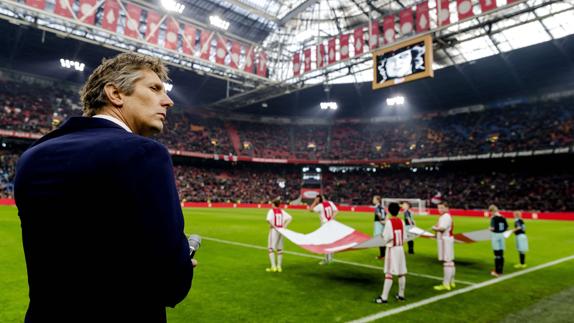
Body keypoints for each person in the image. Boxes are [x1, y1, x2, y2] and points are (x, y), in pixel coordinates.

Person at [14, 53, 195, 323]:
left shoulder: (32, 156)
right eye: (155, 88)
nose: (168, 101)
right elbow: (171, 283)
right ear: (115, 94)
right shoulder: (144, 152)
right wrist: (182, 262)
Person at [374, 203, 407, 304]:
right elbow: (405, 238)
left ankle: (384, 298)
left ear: (388, 211)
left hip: (392, 249)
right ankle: (401, 295)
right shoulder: (401, 221)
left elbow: (386, 237)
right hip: (400, 249)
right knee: (401, 273)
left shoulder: (389, 222)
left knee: (389, 273)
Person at [432, 202, 456, 291]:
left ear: (447, 208)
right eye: (439, 208)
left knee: (447, 262)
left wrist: (434, 228)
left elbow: (442, 228)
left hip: (445, 240)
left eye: (442, 208)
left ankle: (446, 284)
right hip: (447, 239)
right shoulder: (446, 216)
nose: (440, 210)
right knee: (450, 262)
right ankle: (452, 281)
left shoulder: (446, 216)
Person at [310, 194, 338, 265]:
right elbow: (336, 211)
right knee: (331, 241)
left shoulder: (320, 206)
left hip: (325, 225)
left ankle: (327, 259)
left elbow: (310, 210)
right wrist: (331, 218)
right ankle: (331, 258)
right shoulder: (331, 203)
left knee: (325, 242)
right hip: (332, 224)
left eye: (318, 198)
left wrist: (314, 202)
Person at [266, 199, 292, 273]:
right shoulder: (281, 211)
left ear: (274, 204)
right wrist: (284, 226)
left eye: (272, 204)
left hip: (274, 231)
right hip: (281, 231)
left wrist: (273, 226)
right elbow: (290, 218)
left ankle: (273, 267)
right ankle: (279, 267)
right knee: (280, 249)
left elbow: (268, 220)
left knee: (270, 248)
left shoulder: (271, 211)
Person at [489, 204, 508, 277]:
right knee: (501, 254)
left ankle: (497, 272)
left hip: (496, 236)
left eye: (491, 212)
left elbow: (492, 228)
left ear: (492, 211)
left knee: (497, 254)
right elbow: (507, 227)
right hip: (502, 236)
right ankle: (501, 270)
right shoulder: (503, 217)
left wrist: (489, 228)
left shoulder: (494, 218)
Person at [372, 195, 386, 259]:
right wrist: (384, 221)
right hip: (383, 224)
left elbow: (379, 214)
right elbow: (386, 214)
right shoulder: (382, 207)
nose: (373, 200)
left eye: (374, 199)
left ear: (377, 200)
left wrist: (380, 221)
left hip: (378, 223)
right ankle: (384, 255)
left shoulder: (377, 207)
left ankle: (382, 255)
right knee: (382, 239)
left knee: (380, 239)